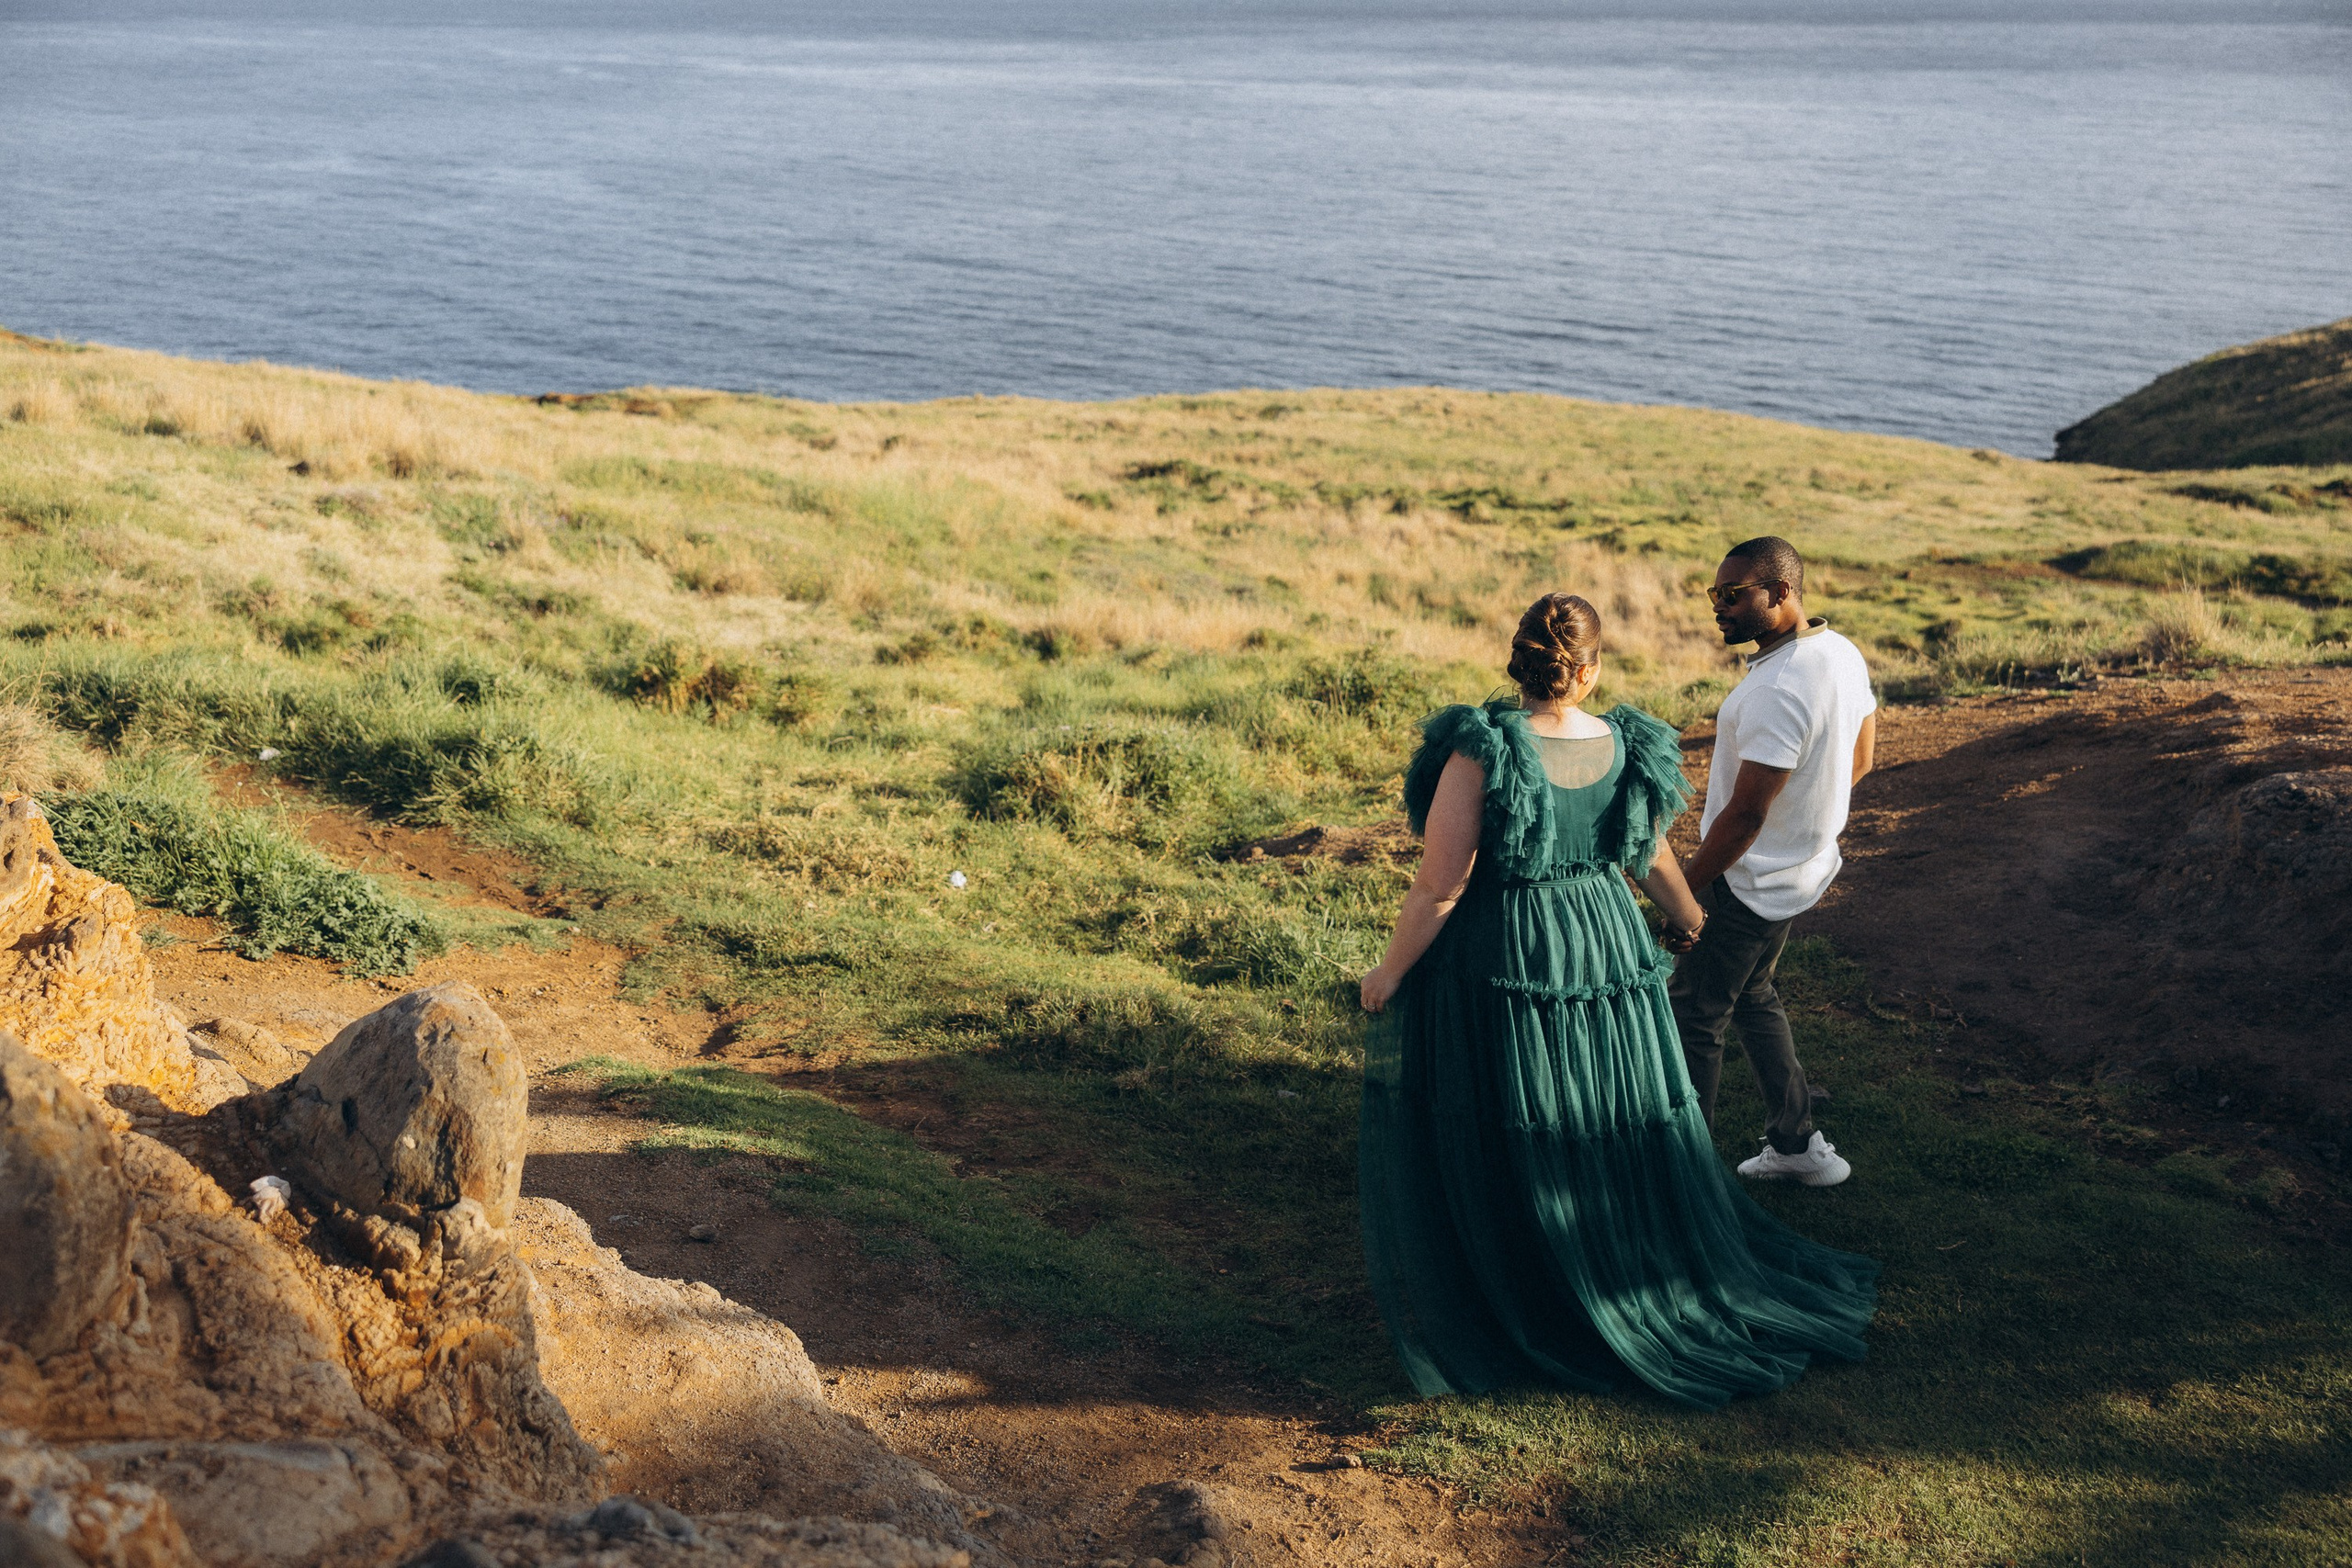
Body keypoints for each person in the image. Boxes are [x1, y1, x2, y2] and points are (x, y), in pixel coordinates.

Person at [1356, 592, 1877, 1409]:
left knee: (1521, 1104)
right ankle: (1612, 1252)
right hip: (1601, 940)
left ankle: (1528, 1269)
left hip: (1513, 943)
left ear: (1519, 661)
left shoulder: (1482, 749)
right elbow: (1650, 854)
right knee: (1600, 1101)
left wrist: (1389, 970)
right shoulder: (1622, 743)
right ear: (1590, 670)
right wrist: (1692, 918)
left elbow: (1441, 886)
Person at [1673, 536, 1877, 1187]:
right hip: (1801, 872)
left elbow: (1745, 816)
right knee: (1754, 993)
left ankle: (1688, 1176)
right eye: (1715, 594)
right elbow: (1861, 759)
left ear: (1781, 592)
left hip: (1746, 882)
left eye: (1733, 595)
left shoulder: (1778, 688)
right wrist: (1805, 820)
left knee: (1696, 1015)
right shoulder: (1840, 653)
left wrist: (1684, 891)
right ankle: (1797, 1143)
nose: (1719, 607)